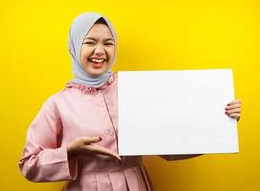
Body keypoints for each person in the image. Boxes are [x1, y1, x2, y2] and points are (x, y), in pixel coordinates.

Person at [18, 12, 241, 191]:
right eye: (90, 42)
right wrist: (70, 151)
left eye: (108, 43)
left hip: (135, 184)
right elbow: (28, 164)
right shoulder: (57, 104)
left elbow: (169, 141)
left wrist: (221, 122)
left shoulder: (135, 90)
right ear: (75, 47)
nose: (100, 51)